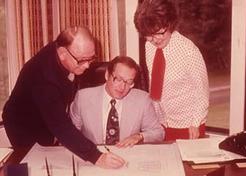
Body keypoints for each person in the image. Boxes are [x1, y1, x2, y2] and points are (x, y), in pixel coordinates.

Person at [2, 26, 125, 169]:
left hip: (45, 118)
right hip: (22, 125)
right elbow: (60, 126)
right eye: (82, 60)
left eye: (91, 58)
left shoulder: (64, 52)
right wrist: (96, 157)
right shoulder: (43, 76)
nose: (87, 66)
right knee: (33, 166)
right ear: (62, 53)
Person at [134, 0, 209, 140]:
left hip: (188, 125)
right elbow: (155, 83)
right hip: (160, 122)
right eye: (149, 35)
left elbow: (202, 92)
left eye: (159, 33)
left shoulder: (189, 51)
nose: (154, 40)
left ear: (170, 24)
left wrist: (196, 123)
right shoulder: (149, 46)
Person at [70, 56, 164, 147]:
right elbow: (70, 132)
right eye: (118, 79)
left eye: (129, 82)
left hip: (126, 156)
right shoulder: (83, 98)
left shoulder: (142, 99)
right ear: (107, 75)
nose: (122, 87)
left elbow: (158, 133)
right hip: (93, 155)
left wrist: (139, 136)